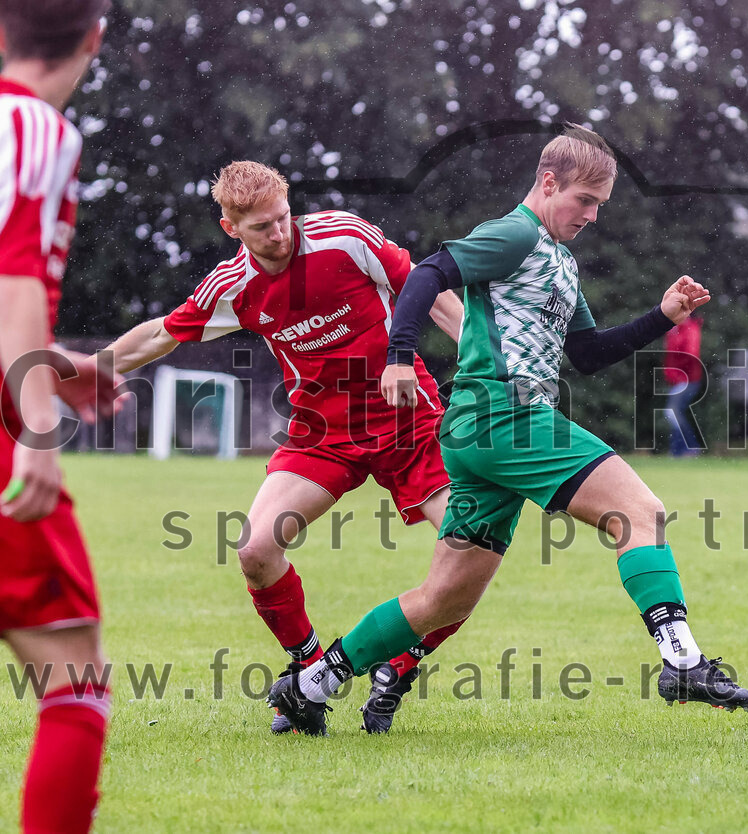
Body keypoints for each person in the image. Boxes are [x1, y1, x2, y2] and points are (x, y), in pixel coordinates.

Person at [270, 124, 748, 732]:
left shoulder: (559, 260)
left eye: (600, 206)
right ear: (548, 182)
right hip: (506, 415)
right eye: (584, 200)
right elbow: (427, 273)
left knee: (442, 599)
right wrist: (400, 355)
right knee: (641, 512)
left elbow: (587, 352)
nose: (591, 215)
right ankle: (682, 663)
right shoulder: (515, 234)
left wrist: (664, 316)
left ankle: (312, 683)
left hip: (477, 432)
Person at [98, 161, 467, 735]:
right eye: (263, 227)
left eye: (283, 217)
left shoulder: (345, 238)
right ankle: (309, 673)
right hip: (321, 436)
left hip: (409, 424)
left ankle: (398, 664)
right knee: (255, 549)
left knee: (467, 553)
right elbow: (159, 334)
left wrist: (480, 358)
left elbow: (425, 289)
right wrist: (89, 370)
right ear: (231, 228)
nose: (280, 234)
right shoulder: (234, 287)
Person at [0, 1, 123, 831]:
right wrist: (34, 427)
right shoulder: (36, 129)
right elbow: (11, 279)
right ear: (94, 38)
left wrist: (58, 364)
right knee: (75, 682)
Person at [663, 316, 705, 455]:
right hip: (678, 379)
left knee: (672, 413)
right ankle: (682, 449)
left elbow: (691, 354)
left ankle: (687, 448)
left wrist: (679, 373)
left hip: (687, 379)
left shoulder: (690, 329)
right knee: (674, 413)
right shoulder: (675, 329)